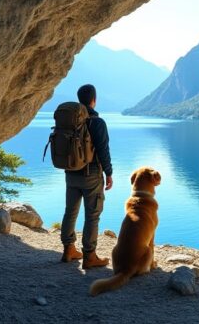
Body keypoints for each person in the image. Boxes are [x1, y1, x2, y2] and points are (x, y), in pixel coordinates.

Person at [60, 84, 113, 269]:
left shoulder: (71, 121)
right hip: (91, 175)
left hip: (70, 173)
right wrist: (109, 173)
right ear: (94, 100)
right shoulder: (97, 122)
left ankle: (69, 250)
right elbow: (103, 149)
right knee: (92, 215)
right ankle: (89, 256)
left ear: (79, 99)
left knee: (70, 211)